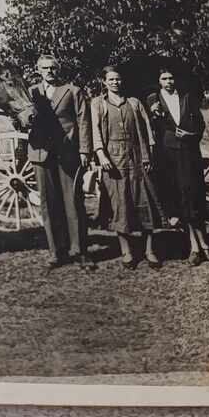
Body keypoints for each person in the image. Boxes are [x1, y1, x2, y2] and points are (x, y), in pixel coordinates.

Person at [26, 56, 96, 271]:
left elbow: (84, 122)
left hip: (68, 153)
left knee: (73, 202)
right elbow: (19, 115)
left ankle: (80, 251)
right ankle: (56, 252)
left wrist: (85, 150)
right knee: (49, 204)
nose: (49, 71)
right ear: (38, 70)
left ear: (58, 69)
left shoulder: (73, 91)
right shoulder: (31, 92)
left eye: (53, 68)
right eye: (45, 68)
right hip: (40, 153)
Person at [91, 66, 165, 269]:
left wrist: (147, 155)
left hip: (137, 158)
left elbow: (147, 130)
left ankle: (150, 250)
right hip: (113, 161)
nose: (115, 82)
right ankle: (127, 251)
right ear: (104, 82)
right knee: (120, 204)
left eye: (118, 79)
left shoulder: (134, 103)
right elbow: (95, 131)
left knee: (145, 202)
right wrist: (101, 154)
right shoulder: (98, 104)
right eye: (111, 79)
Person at [146, 68, 209, 265]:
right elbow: (151, 128)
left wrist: (191, 136)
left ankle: (205, 245)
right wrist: (153, 115)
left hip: (190, 153)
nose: (168, 81)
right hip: (167, 156)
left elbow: (200, 125)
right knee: (181, 199)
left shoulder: (187, 98)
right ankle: (195, 247)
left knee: (195, 196)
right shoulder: (153, 100)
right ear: (159, 81)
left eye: (171, 77)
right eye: (164, 78)